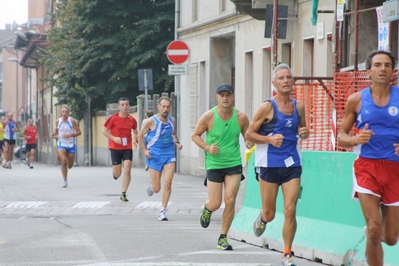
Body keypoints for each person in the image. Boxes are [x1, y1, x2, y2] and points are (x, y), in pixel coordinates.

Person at [337, 50, 399, 266]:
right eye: (378, 65)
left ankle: (373, 239)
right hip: (367, 168)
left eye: (387, 65)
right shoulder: (356, 100)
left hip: (395, 171)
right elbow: (341, 137)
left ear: (393, 70)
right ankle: (372, 237)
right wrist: (355, 140)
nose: (382, 69)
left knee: (390, 238)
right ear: (369, 70)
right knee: (374, 228)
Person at [245, 63, 308, 266]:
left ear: (293, 81)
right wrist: (269, 140)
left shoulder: (299, 106)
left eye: (288, 77)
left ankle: (287, 253)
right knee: (270, 213)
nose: (285, 81)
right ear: (274, 83)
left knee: (290, 210)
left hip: (292, 164)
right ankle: (262, 218)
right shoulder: (267, 107)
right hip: (269, 165)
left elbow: (302, 128)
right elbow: (249, 134)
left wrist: (305, 132)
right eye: (281, 78)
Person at [191, 83, 252, 251]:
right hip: (214, 164)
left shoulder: (241, 117)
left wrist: (250, 142)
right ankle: (207, 208)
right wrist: (207, 148)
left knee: (230, 200)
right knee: (216, 203)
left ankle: (223, 237)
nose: (225, 98)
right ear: (217, 97)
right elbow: (195, 135)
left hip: (233, 163)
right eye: (222, 95)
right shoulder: (208, 116)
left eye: (228, 95)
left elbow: (247, 137)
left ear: (233, 97)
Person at [137, 96, 183, 221]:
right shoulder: (151, 121)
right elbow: (139, 136)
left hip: (169, 155)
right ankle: (152, 186)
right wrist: (145, 150)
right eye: (163, 106)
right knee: (157, 189)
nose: (165, 109)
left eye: (168, 107)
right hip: (154, 156)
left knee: (168, 183)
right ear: (158, 107)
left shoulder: (172, 120)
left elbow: (173, 133)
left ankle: (163, 210)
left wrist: (177, 143)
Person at [102, 97, 138, 202]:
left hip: (127, 148)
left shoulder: (132, 120)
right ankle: (115, 174)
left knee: (127, 170)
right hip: (115, 148)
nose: (125, 106)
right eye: (122, 105)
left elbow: (135, 131)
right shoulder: (113, 118)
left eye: (126, 104)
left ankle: (123, 193)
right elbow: (104, 131)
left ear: (129, 106)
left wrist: (135, 140)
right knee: (118, 174)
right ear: (119, 107)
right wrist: (114, 138)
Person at [51, 105, 81, 187]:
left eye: (66, 112)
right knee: (63, 161)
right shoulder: (58, 121)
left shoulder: (72, 121)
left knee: (70, 165)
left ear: (68, 113)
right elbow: (56, 131)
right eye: (63, 112)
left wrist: (70, 135)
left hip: (71, 144)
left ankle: (63, 157)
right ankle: (65, 180)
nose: (64, 114)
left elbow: (79, 132)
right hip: (61, 144)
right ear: (61, 113)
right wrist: (53, 133)